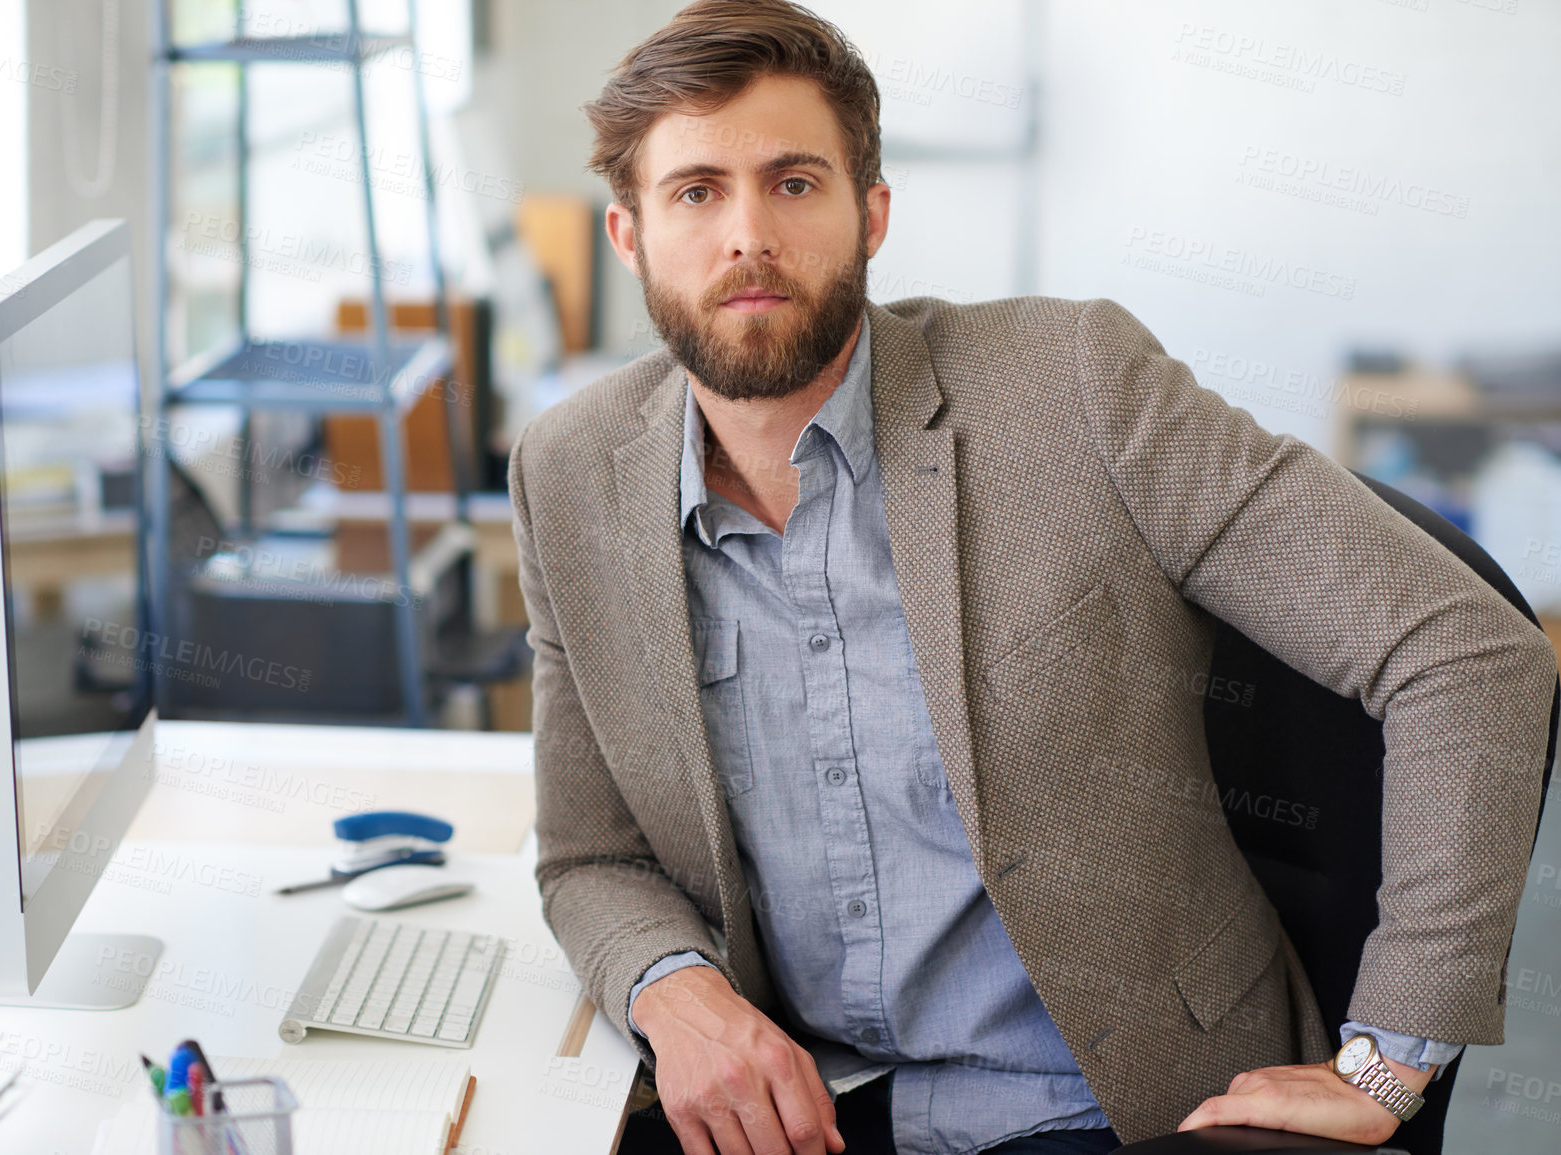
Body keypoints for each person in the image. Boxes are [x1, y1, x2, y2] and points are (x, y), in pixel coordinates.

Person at [504, 2, 1558, 1152]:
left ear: (872, 214)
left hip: (1107, 1104)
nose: (747, 234)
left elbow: (1469, 650)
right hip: (802, 1102)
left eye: (795, 182)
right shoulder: (570, 476)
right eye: (696, 191)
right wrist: (672, 988)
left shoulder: (1073, 386)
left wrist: (1395, 1055)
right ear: (629, 236)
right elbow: (590, 855)